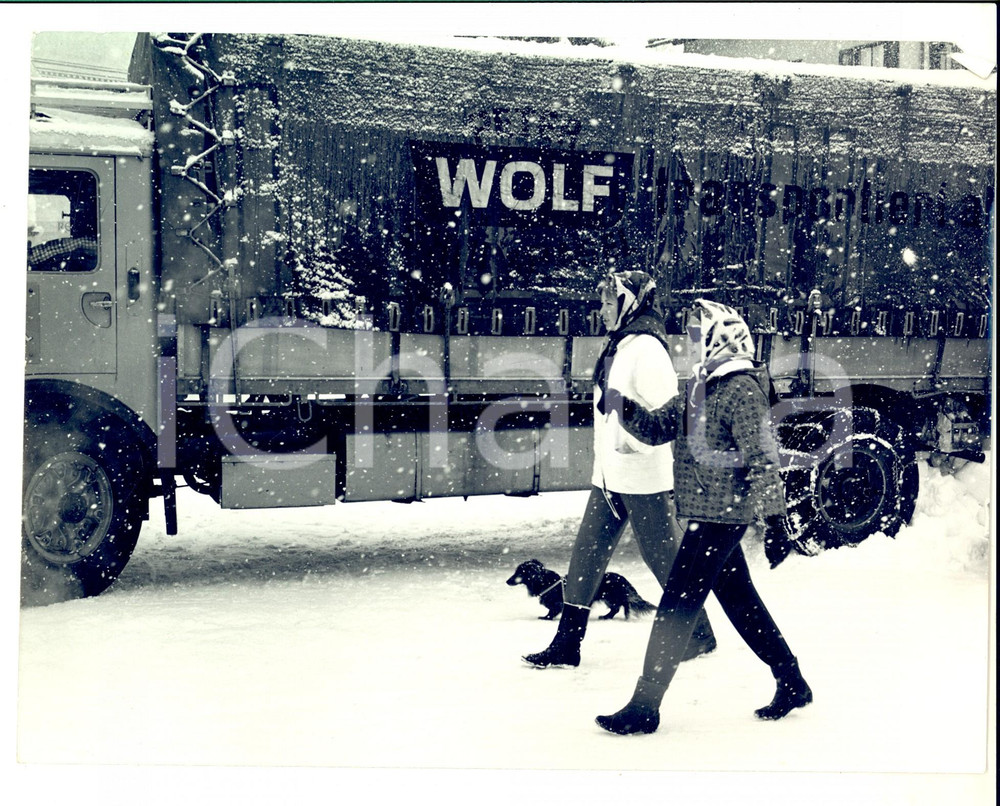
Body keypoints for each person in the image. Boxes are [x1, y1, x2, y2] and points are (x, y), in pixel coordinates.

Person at [595, 298, 810, 735]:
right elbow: (659, 429)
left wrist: (776, 522)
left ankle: (645, 705)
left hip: (721, 518)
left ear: (722, 339)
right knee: (740, 601)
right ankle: (791, 680)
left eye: (698, 336)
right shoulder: (700, 387)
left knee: (677, 603)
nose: (691, 345)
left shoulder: (742, 390)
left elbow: (763, 459)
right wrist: (621, 404)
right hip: (705, 513)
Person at [522, 271, 716, 669]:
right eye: (603, 302)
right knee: (586, 556)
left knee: (664, 559)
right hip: (610, 476)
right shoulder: (620, 344)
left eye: (610, 302)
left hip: (642, 475)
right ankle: (567, 643)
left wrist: (629, 445)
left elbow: (666, 418)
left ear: (631, 303)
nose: (603, 309)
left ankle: (699, 634)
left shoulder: (648, 350)